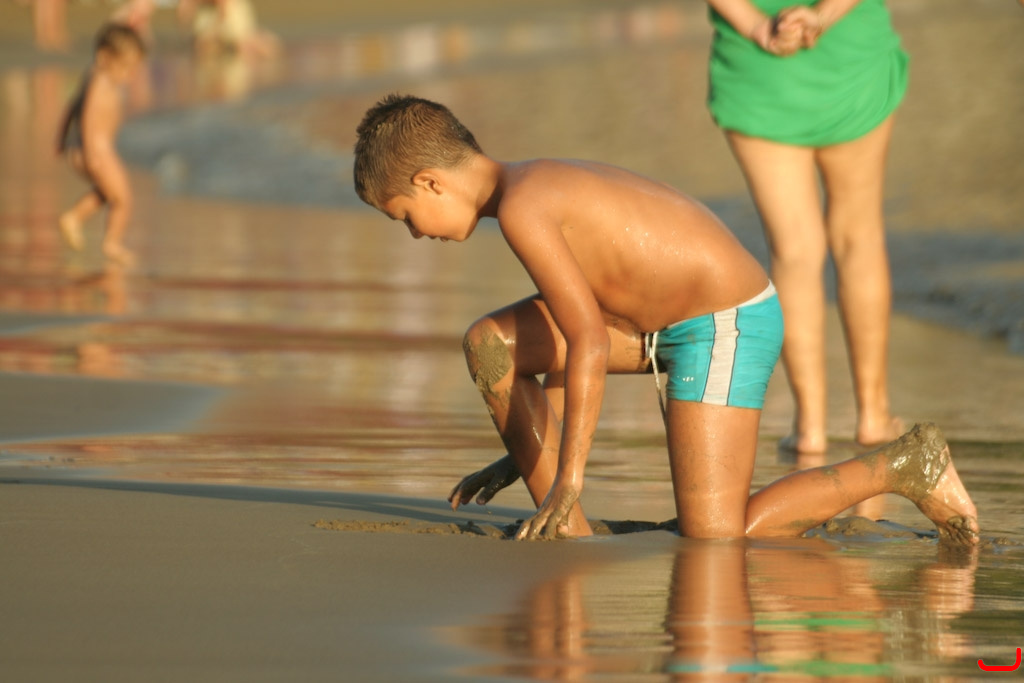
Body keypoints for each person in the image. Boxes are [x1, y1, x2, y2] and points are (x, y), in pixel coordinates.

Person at [352, 94, 978, 544]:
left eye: (404, 217)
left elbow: (587, 341)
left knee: (717, 535)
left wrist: (570, 474)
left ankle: (904, 464)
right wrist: (523, 456)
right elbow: (573, 337)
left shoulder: (525, 206)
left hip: (724, 321)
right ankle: (567, 530)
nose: (415, 234)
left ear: (430, 183)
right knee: (492, 345)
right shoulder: (525, 191)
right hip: (648, 328)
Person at [705, 0, 907, 454]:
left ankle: (810, 427)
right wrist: (823, 15)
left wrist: (757, 26)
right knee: (858, 238)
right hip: (848, 58)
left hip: (758, 71)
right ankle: (873, 415)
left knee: (794, 249)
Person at [57, 23, 146, 266]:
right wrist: (92, 154)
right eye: (125, 67)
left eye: (133, 68)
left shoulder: (97, 78)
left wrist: (61, 139)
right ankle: (111, 243)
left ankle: (74, 219)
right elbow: (87, 117)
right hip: (96, 149)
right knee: (123, 198)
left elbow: (72, 108)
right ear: (104, 57)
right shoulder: (101, 81)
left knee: (109, 193)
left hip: (92, 148)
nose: (129, 75)